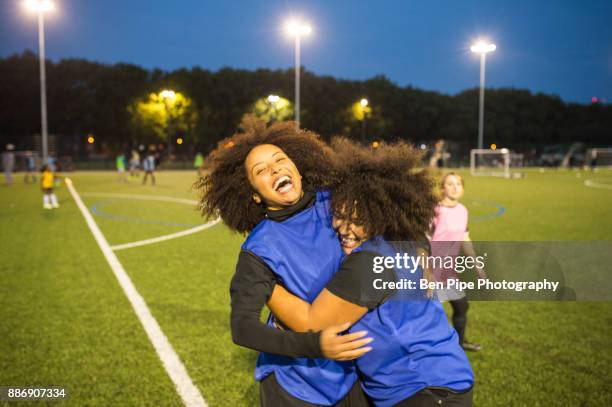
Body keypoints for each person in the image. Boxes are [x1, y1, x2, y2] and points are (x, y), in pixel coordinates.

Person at [266, 138, 474, 407]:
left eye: (357, 220)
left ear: (378, 217)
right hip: (435, 381)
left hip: (424, 389)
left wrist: (264, 282)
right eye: (339, 215)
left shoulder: (368, 263)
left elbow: (312, 324)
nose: (344, 227)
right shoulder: (401, 242)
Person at [196, 117, 370, 406]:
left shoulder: (339, 202)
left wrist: (426, 254)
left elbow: (399, 225)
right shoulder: (259, 248)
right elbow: (242, 327)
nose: (274, 168)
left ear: (298, 170)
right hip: (295, 386)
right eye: (260, 170)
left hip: (353, 374)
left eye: (279, 159)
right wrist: (314, 346)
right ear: (254, 195)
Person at [430, 172, 486, 352]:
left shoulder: (463, 210)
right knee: (430, 312)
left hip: (448, 270)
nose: (455, 187)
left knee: (461, 305)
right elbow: (422, 240)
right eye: (450, 184)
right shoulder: (435, 210)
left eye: (458, 184)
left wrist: (477, 265)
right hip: (431, 268)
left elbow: (465, 238)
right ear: (442, 188)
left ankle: (459, 345)